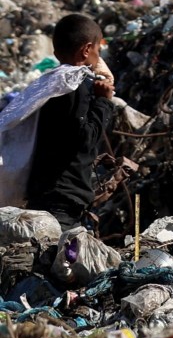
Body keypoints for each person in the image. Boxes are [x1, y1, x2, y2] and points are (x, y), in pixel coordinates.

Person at [0, 13, 123, 222]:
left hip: (43, 193)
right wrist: (103, 101)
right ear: (86, 50)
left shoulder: (48, 86)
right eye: (98, 50)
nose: (99, 58)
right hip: (62, 201)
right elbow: (85, 139)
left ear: (56, 52)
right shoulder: (74, 85)